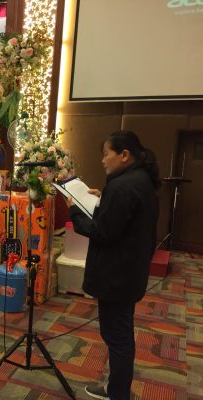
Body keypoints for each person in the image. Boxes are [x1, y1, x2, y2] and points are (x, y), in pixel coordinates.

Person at [67, 131, 161, 400]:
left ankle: (118, 393)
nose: (103, 160)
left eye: (106, 154)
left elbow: (102, 231)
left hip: (117, 275)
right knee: (121, 332)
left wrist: (74, 210)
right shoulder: (139, 179)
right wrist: (102, 200)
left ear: (124, 155)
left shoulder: (122, 186)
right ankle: (116, 387)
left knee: (117, 336)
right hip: (129, 272)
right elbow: (123, 220)